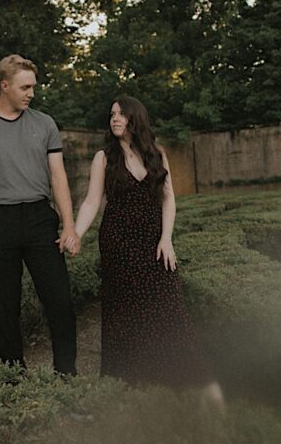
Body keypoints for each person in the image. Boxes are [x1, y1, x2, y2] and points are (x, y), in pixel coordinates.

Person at [74, 95, 223, 403]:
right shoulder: (104, 158)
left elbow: (168, 199)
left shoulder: (157, 154)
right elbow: (91, 202)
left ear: (135, 119)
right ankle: (128, 386)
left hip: (154, 242)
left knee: (170, 310)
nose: (114, 118)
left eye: (121, 114)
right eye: (112, 114)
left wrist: (166, 238)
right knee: (125, 312)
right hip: (118, 243)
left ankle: (189, 380)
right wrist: (75, 233)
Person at [0, 54, 79, 375]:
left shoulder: (45, 123)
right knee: (5, 306)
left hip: (40, 218)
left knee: (60, 302)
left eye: (33, 87)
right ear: (5, 86)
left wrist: (69, 225)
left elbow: (58, 177)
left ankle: (66, 374)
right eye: (25, 87)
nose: (31, 93)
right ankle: (14, 375)